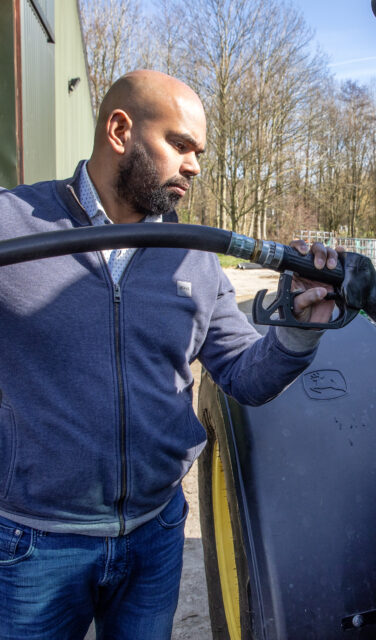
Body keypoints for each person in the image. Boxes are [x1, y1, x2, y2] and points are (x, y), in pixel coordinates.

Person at [0, 70, 337, 639]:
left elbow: (244, 375)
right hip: (35, 542)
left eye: (198, 152)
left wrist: (299, 333)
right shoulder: (13, 226)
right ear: (119, 130)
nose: (195, 166)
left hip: (155, 537)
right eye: (179, 145)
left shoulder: (194, 256)